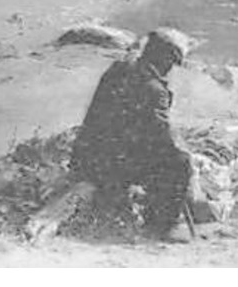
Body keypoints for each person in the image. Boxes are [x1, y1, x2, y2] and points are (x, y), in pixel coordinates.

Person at [69, 28, 196, 241]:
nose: (170, 69)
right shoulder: (153, 89)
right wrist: (184, 152)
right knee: (180, 163)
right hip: (112, 165)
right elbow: (164, 138)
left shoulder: (119, 69)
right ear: (163, 58)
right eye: (171, 63)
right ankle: (162, 226)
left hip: (88, 156)